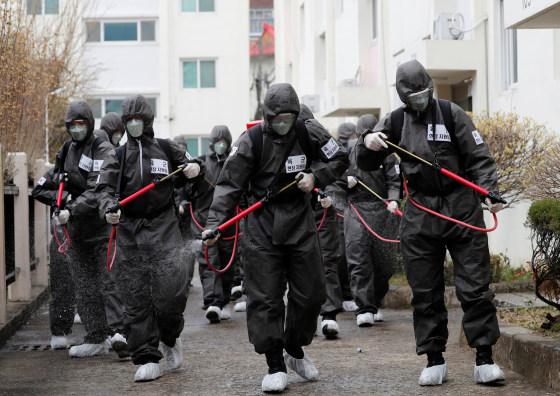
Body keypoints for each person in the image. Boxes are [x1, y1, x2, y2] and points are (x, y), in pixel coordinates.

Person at [357, 60, 505, 386]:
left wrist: (489, 191)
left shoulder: (452, 114)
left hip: (462, 207)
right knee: (424, 291)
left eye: (424, 93)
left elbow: (479, 157)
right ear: (403, 97)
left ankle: (484, 358)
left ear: (430, 88)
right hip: (420, 212)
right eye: (414, 96)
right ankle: (434, 359)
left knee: (476, 288)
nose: (420, 100)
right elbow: (365, 159)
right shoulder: (395, 121)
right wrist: (366, 140)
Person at [203, 83, 349, 393]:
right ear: (267, 116)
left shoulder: (308, 131)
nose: (283, 122)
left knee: (311, 293)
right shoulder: (251, 140)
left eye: (288, 117)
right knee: (265, 297)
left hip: (300, 221)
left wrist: (315, 176)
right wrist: (214, 225)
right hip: (261, 227)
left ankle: (294, 349)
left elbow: (340, 159)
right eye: (277, 118)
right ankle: (274, 363)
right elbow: (228, 186)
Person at [96, 95, 204, 382]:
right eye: (128, 121)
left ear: (148, 120)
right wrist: (109, 209)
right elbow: (104, 190)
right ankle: (146, 355)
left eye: (138, 120)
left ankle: (170, 335)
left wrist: (196, 168)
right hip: (130, 230)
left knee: (171, 292)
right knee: (135, 296)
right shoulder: (116, 156)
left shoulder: (166, 149)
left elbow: (190, 168)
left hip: (164, 224)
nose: (133, 125)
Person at [49, 101, 124, 358]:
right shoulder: (66, 149)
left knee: (110, 281)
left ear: (90, 124)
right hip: (76, 231)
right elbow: (55, 180)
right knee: (84, 286)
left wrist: (73, 207)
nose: (77, 128)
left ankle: (121, 334)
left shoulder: (102, 149)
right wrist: (59, 202)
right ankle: (96, 336)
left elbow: (98, 188)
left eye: (81, 123)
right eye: (72, 124)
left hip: (102, 227)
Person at [344, 114, 400, 327]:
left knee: (384, 262)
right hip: (356, 210)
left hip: (383, 210)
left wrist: (394, 199)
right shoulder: (349, 154)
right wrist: (344, 180)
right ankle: (364, 308)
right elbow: (332, 177)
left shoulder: (387, 155)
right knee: (359, 260)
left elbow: (395, 181)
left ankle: (375, 302)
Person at [300, 104, 344, 339]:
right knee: (300, 265)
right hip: (296, 215)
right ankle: (307, 315)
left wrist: (331, 197)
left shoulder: (324, 143)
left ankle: (329, 316)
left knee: (327, 261)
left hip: (323, 212)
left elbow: (340, 168)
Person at [190, 125, 237, 323]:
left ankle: (224, 301)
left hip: (229, 221)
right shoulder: (200, 163)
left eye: (224, 142)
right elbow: (187, 189)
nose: (220, 145)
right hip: (203, 221)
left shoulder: (234, 164)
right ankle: (212, 303)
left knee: (227, 262)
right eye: (217, 142)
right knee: (208, 261)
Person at [32, 167, 76, 350]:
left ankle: (103, 332)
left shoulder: (101, 164)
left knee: (99, 285)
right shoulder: (60, 169)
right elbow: (38, 191)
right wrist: (65, 196)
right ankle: (60, 330)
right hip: (63, 235)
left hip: (93, 233)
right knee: (61, 283)